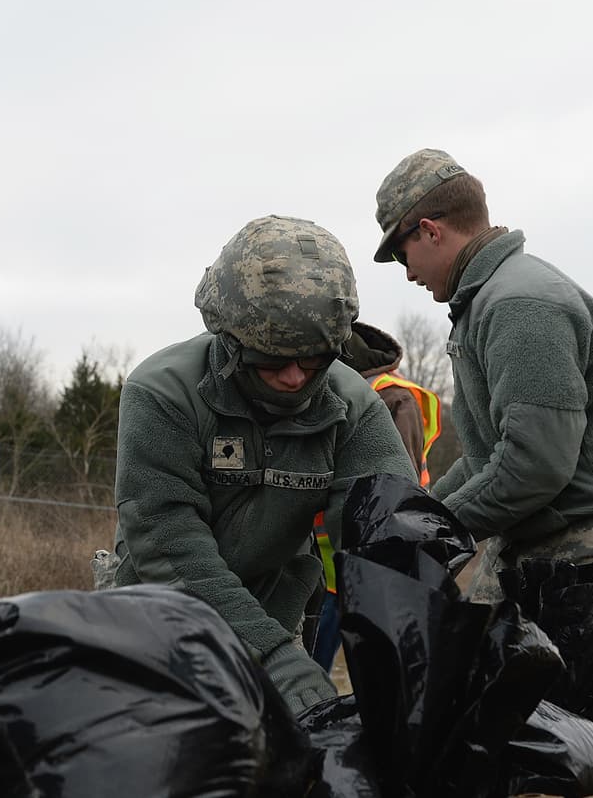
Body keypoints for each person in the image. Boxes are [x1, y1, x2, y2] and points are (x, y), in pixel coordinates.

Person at [371, 148, 593, 736]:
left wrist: (438, 534)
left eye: (402, 254)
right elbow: (485, 455)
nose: (408, 272)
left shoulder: (521, 302)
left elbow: (534, 465)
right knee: (519, 729)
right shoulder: (482, 306)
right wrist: (412, 517)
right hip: (538, 546)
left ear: (431, 230)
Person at [110, 215, 418, 715]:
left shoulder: (353, 406)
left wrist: (415, 650)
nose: (296, 377)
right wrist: (271, 657)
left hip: (277, 615)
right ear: (229, 339)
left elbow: (387, 537)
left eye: (316, 359)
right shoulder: (162, 393)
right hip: (158, 623)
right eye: (272, 361)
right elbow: (171, 546)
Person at [311, 321, 441, 670]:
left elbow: (394, 489)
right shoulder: (337, 389)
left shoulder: (392, 397)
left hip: (366, 561)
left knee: (381, 671)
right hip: (325, 564)